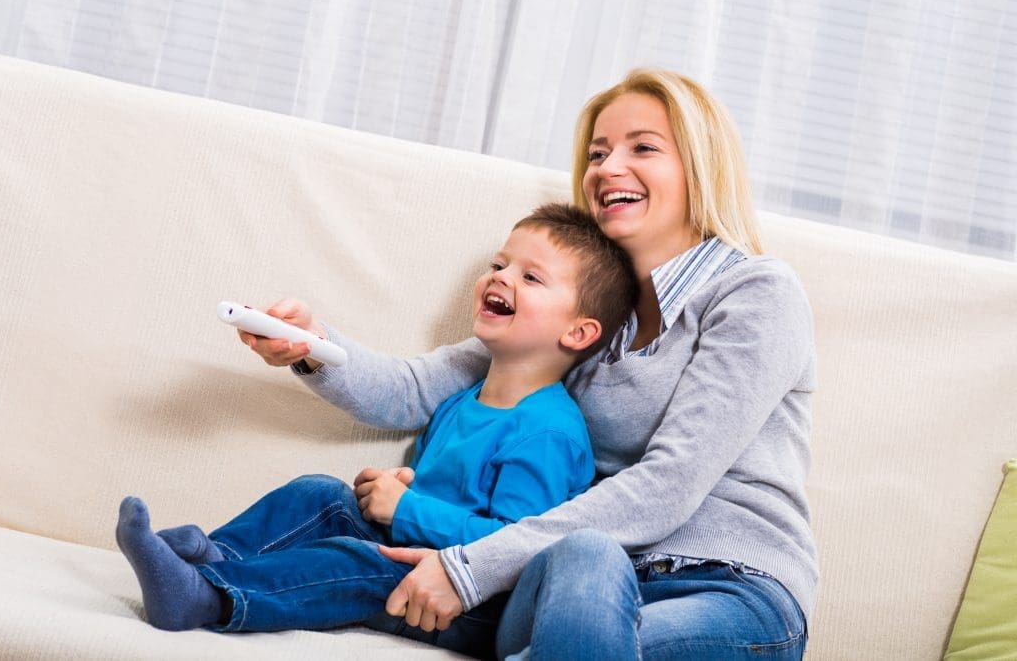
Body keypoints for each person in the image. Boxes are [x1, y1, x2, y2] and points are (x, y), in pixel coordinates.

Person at [254, 68, 819, 660]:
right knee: (584, 553)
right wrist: (312, 344)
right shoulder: (579, 309)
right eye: (598, 153)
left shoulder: (757, 294)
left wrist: (470, 566)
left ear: (701, 169)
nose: (606, 168)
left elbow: (669, 484)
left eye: (643, 147)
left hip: (728, 590)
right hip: (578, 586)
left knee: (588, 560)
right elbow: (415, 389)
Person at [114, 203, 638, 658]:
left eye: (531, 277)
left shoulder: (549, 432)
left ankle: (210, 597)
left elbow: (517, 543)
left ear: (578, 331)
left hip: (476, 601)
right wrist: (401, 490)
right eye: (499, 264)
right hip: (414, 551)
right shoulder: (464, 398)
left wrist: (407, 510)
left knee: (358, 559)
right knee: (319, 494)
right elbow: (443, 489)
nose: (501, 277)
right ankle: (214, 556)